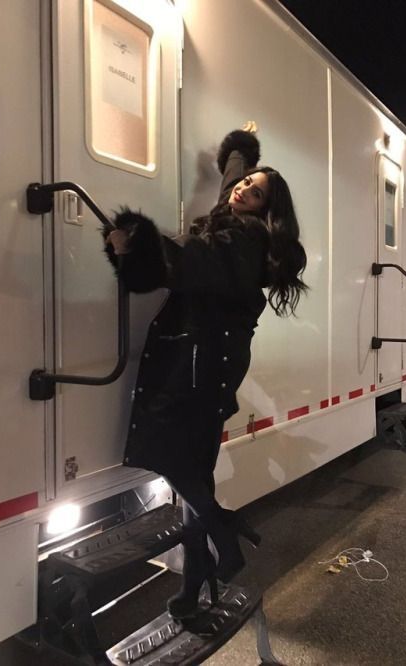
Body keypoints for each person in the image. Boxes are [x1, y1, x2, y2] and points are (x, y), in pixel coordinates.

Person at [103, 128, 308, 619]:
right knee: (194, 474)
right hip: (211, 364)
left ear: (264, 210)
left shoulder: (242, 239)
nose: (240, 189)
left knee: (170, 456)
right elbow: (230, 185)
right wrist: (241, 151)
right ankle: (197, 585)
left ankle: (222, 529)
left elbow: (192, 259)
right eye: (245, 183)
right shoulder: (234, 219)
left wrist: (140, 246)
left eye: (254, 192)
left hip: (201, 367)